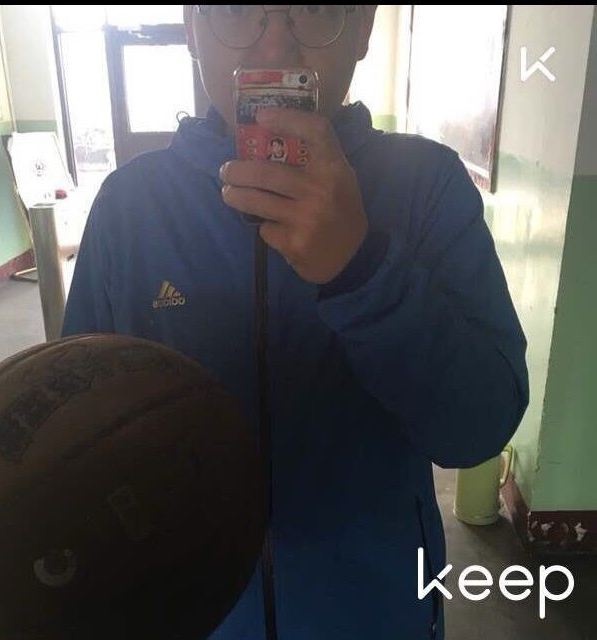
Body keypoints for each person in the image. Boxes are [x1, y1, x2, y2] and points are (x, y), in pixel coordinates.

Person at [62, 5, 529, 639]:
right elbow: (76, 436)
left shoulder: (427, 185)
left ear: (363, 29)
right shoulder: (128, 206)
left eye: (316, 9)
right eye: (236, 9)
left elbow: (479, 428)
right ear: (193, 27)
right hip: (192, 611)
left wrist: (361, 268)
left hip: (377, 615)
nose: (275, 46)